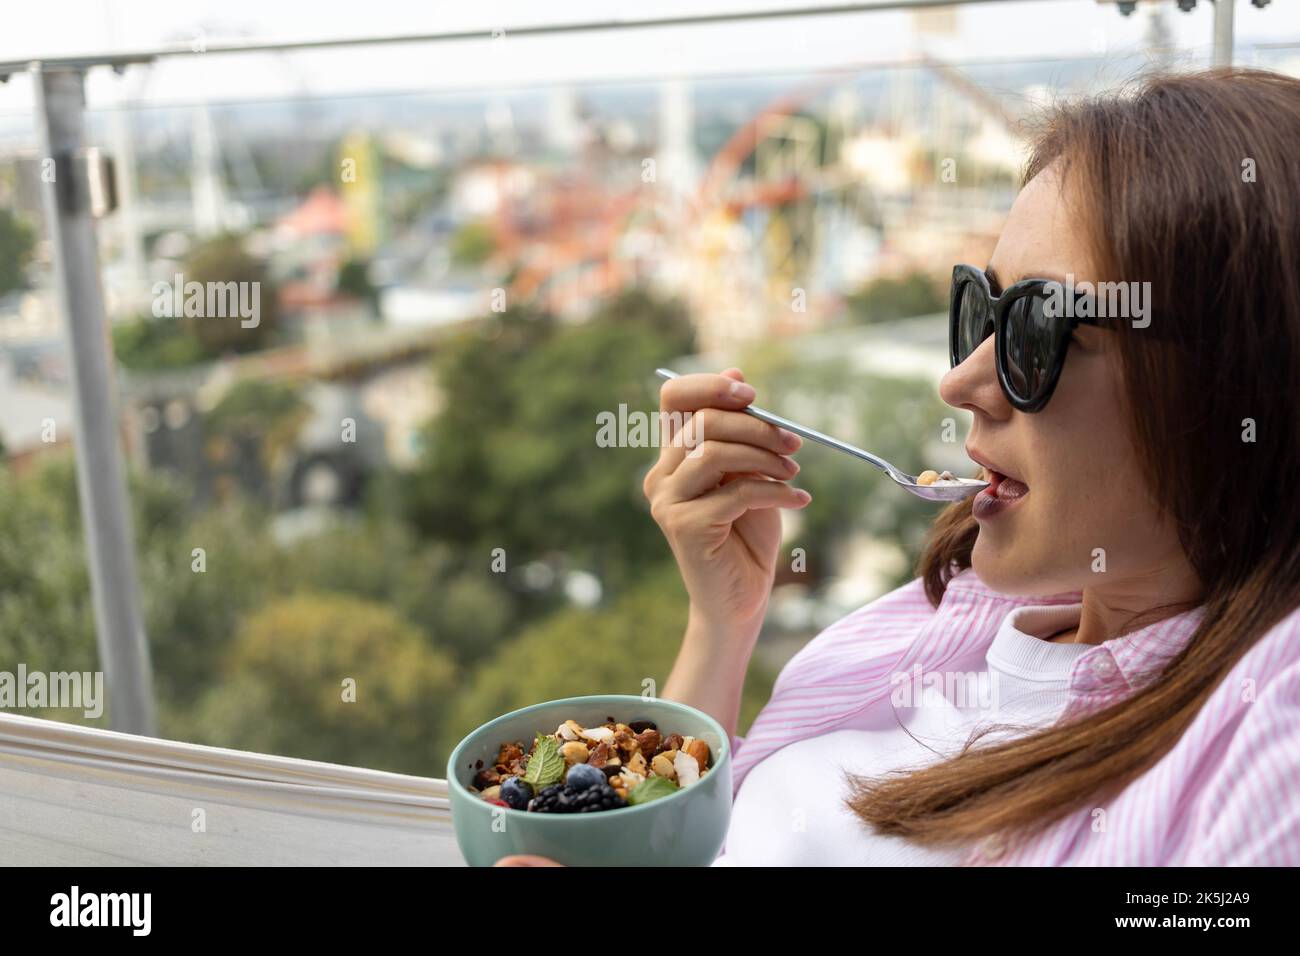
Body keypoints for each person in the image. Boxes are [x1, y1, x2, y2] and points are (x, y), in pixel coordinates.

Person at [496, 67, 1300, 866]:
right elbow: (671, 846)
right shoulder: (942, 620)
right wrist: (724, 624)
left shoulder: (1263, 725)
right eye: (981, 312)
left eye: (1037, 332)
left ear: (1234, 386)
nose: (960, 383)